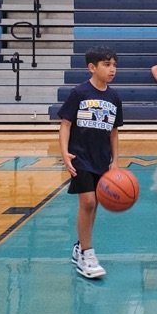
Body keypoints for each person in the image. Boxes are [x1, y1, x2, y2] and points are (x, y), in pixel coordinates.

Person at [58, 46, 123, 280]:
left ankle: (80, 246)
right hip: (80, 157)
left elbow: (114, 132)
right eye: (107, 65)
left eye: (114, 65)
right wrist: (64, 153)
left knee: (93, 205)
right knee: (87, 201)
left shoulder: (114, 97)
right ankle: (87, 253)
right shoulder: (79, 93)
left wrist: (115, 161)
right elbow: (65, 124)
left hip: (101, 159)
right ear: (92, 67)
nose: (112, 69)